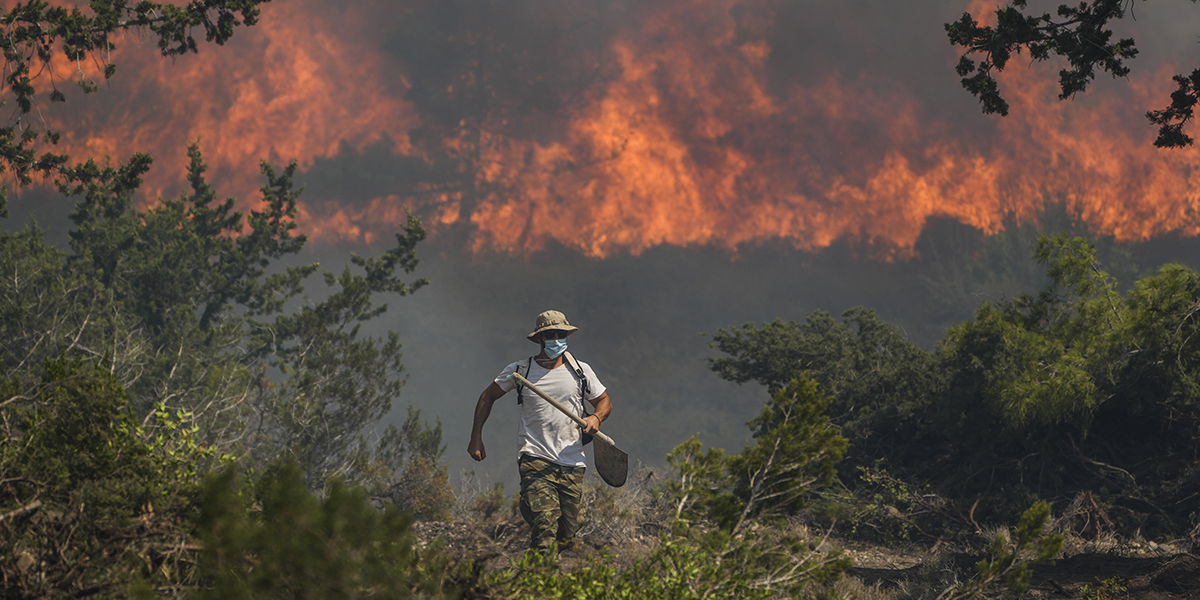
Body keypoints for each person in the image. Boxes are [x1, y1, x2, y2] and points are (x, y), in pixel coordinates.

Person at [468, 309, 612, 552]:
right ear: (540, 339)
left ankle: (529, 507)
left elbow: (604, 401)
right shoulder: (521, 371)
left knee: (566, 533)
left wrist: (596, 418)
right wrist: (476, 437)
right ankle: (535, 577)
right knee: (545, 526)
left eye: (560, 334)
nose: (556, 339)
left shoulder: (580, 371)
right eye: (550, 335)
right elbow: (487, 396)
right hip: (535, 457)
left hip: (572, 460)